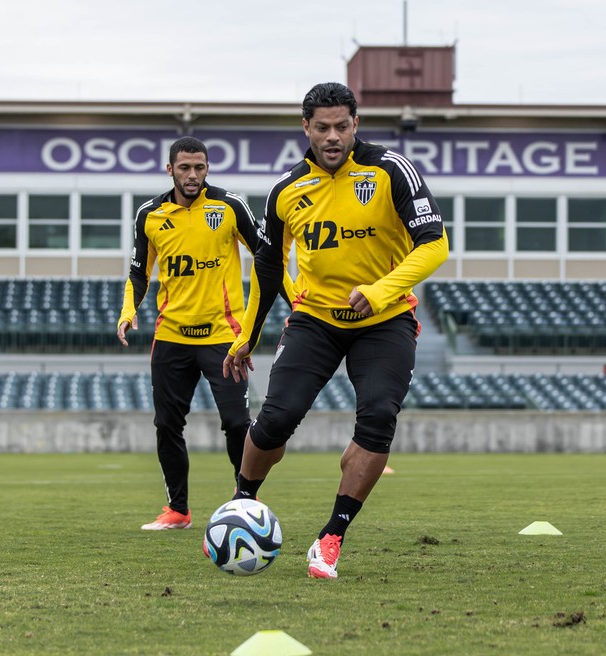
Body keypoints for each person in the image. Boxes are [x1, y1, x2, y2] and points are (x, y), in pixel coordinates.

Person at [223, 82, 449, 578]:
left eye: (341, 126)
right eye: (321, 127)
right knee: (274, 420)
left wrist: (383, 289)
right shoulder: (286, 191)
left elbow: (434, 244)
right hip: (315, 320)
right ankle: (241, 505)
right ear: (305, 128)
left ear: (355, 125)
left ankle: (332, 536)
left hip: (385, 321)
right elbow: (266, 270)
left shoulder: (391, 170)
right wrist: (245, 338)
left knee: (378, 419)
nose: (332, 136)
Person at [118, 136, 292, 531]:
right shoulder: (150, 214)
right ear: (170, 170)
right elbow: (138, 273)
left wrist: (296, 302)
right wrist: (128, 313)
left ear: (207, 168)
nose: (192, 175)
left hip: (223, 337)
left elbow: (268, 258)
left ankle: (246, 500)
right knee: (167, 424)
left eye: (199, 167)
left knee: (236, 422)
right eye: (184, 168)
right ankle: (177, 510)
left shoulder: (230, 206)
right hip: (171, 337)